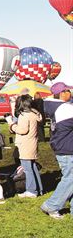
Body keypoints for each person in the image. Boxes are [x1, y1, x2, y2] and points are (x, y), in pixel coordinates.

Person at [40, 82, 73, 219]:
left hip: (64, 146)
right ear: (61, 93)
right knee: (70, 179)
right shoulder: (65, 108)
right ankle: (51, 205)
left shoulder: (55, 106)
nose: (70, 93)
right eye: (67, 91)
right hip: (67, 148)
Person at [9, 94, 43, 198]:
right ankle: (39, 189)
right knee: (33, 167)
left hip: (25, 144)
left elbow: (22, 130)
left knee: (27, 169)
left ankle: (31, 191)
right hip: (32, 143)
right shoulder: (34, 115)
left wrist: (12, 125)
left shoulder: (24, 116)